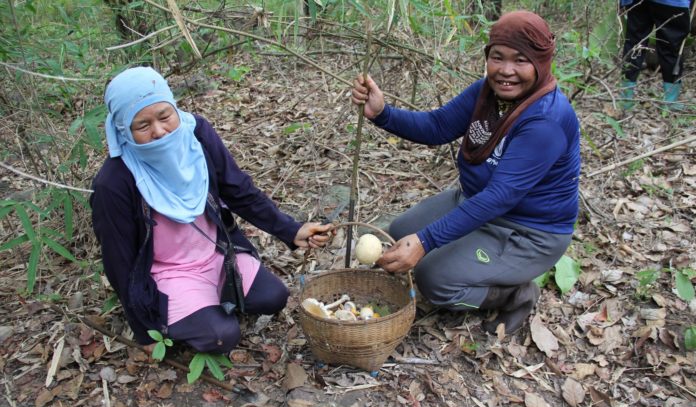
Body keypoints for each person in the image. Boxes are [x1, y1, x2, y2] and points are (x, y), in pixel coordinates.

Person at [351, 11, 580, 335]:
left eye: (521, 61)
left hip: (529, 231)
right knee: (401, 230)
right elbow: (437, 126)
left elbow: (500, 196)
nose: (506, 70)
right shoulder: (488, 92)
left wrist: (426, 241)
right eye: (497, 57)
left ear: (541, 64)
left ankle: (513, 294)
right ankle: (465, 257)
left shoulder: (546, 121)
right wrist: (383, 113)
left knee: (434, 279)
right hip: (475, 200)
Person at [91, 67, 333, 354]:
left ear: (175, 108)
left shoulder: (197, 135)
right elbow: (119, 261)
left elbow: (238, 189)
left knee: (274, 297)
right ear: (123, 129)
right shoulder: (114, 182)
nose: (159, 131)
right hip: (167, 273)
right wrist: (144, 331)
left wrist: (291, 230)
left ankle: (207, 303)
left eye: (165, 116)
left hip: (215, 253)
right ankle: (196, 308)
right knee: (221, 336)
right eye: (142, 126)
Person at [619, 0, 692, 110]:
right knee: (671, 49)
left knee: (634, 45)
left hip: (638, 2)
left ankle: (625, 98)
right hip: (673, 3)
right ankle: (670, 101)